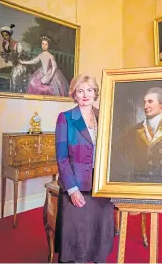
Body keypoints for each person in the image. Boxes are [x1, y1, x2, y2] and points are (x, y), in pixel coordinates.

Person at [54, 74, 114, 263]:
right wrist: (72, 190)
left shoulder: (104, 116)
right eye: (80, 91)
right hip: (77, 187)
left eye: (89, 90)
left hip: (101, 187)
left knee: (100, 238)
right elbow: (62, 158)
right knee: (76, 244)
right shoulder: (65, 118)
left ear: (95, 93)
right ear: (74, 94)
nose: (85, 94)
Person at [0, 24, 27, 93]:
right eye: (3, 35)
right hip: (15, 67)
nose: (4, 37)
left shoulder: (17, 44)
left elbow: (18, 58)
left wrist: (11, 57)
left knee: (15, 81)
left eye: (6, 35)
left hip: (20, 66)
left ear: (10, 35)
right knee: (13, 82)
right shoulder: (8, 46)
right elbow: (6, 60)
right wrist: (3, 47)